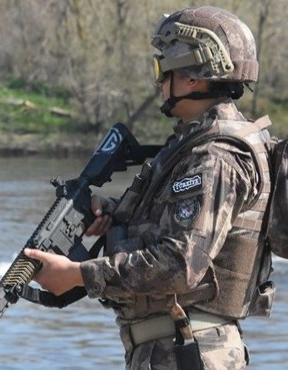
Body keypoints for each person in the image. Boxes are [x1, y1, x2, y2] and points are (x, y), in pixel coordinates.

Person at [24, 6, 273, 369]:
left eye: (163, 70)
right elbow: (177, 233)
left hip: (189, 351)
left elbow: (179, 263)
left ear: (193, 77)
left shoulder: (214, 156)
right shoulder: (193, 147)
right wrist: (112, 214)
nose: (158, 82)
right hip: (173, 348)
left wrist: (78, 275)